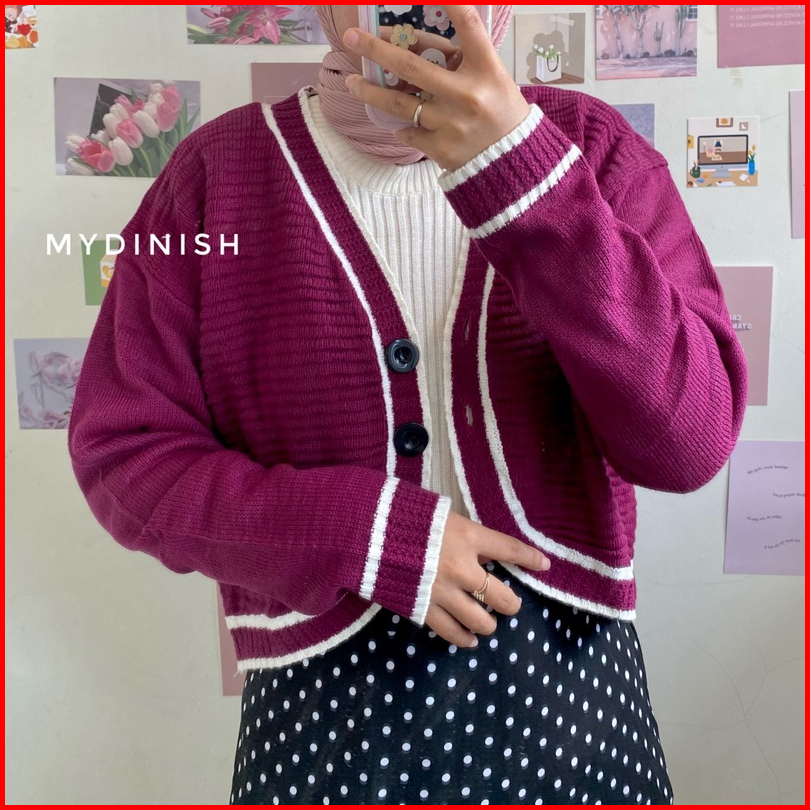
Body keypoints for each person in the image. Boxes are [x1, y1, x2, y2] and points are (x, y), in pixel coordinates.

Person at [67, 5, 748, 805]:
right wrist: (361, 533)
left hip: (575, 718)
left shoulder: (592, 151)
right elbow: (125, 455)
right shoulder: (213, 179)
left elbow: (690, 439)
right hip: (324, 736)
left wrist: (520, 169)